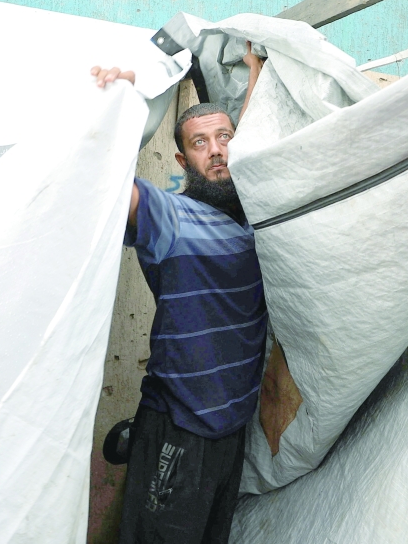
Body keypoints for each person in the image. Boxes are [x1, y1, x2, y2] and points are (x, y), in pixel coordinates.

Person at [91, 45, 265, 544]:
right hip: (179, 428)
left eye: (225, 138)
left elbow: (260, 134)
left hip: (232, 431)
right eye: (200, 143)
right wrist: (120, 106)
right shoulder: (173, 217)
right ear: (181, 160)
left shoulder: (256, 219)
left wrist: (257, 74)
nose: (217, 151)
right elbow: (110, 184)